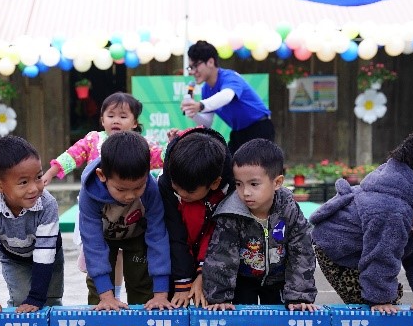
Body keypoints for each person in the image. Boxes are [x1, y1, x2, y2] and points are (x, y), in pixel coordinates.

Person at [311, 129, 413, 314]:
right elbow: (381, 254)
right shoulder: (392, 208)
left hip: (367, 246)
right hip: (339, 250)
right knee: (381, 306)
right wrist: (380, 298)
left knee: (389, 299)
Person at [41, 91, 164, 299]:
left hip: (134, 218)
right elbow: (73, 155)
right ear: (102, 118)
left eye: (123, 117)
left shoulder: (141, 147)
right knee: (102, 258)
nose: (116, 120)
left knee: (138, 270)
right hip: (101, 215)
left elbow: (163, 156)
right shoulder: (93, 140)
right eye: (111, 115)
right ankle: (109, 298)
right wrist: (52, 171)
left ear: (135, 123)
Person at [203, 138, 318, 311]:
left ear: (277, 182)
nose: (245, 192)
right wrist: (219, 297)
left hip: (278, 280)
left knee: (280, 325)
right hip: (241, 281)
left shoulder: (289, 209)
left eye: (254, 184)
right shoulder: (231, 213)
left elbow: (302, 251)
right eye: (239, 184)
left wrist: (299, 295)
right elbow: (221, 257)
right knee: (242, 324)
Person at [78, 131, 174, 311]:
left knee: (141, 281)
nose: (130, 196)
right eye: (121, 189)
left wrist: (161, 294)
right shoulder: (90, 193)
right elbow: (93, 242)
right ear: (102, 175)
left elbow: (158, 236)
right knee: (98, 290)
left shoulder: (151, 190)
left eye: (138, 187)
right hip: (104, 236)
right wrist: (107, 296)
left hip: (137, 235)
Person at [0, 135, 64, 314]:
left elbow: (45, 255)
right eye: (23, 182)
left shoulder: (47, 204)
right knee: (21, 300)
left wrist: (36, 297)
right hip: (14, 258)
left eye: (38, 177)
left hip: (50, 254)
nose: (34, 188)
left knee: (49, 301)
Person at [158, 127, 234, 308]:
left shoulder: (230, 186)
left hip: (215, 257)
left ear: (215, 183)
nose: (182, 194)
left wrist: (203, 275)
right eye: (177, 188)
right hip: (175, 254)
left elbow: (219, 235)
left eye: (189, 192)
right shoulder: (167, 181)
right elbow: (174, 234)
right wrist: (183, 283)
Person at [181, 40, 274, 154]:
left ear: (210, 62)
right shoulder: (206, 89)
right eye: (190, 68)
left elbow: (227, 96)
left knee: (256, 170)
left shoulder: (229, 77)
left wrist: (200, 105)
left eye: (195, 66)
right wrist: (193, 113)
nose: (193, 72)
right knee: (227, 168)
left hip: (260, 128)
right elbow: (207, 123)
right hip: (238, 133)